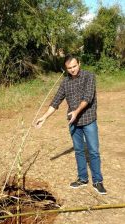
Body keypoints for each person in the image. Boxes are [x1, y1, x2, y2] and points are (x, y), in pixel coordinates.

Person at [35, 55, 106, 195]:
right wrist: (44, 117)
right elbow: (56, 101)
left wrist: (76, 112)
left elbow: (88, 97)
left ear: (79, 64)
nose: (73, 70)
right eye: (69, 68)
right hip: (73, 122)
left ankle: (97, 181)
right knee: (79, 151)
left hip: (89, 120)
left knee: (93, 151)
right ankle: (82, 179)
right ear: (66, 69)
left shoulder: (89, 76)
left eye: (74, 66)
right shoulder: (65, 82)